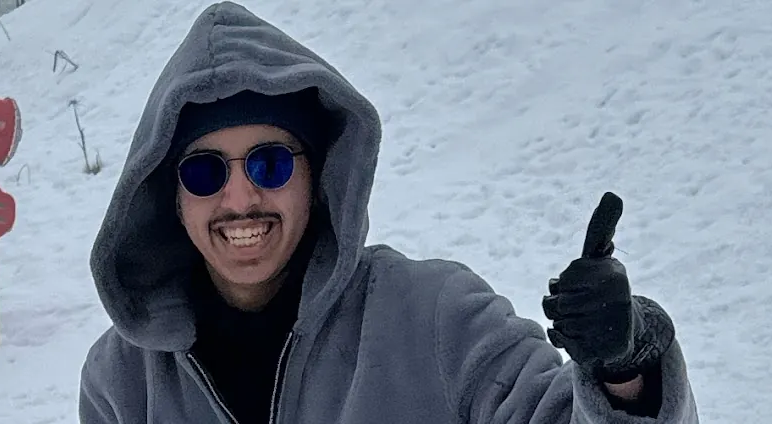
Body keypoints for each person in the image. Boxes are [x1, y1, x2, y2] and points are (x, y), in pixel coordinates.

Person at [77, 2, 696, 423]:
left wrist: (624, 371)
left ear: (317, 176)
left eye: (270, 164)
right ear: (171, 194)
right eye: (205, 171)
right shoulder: (122, 380)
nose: (239, 200)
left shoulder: (436, 316)